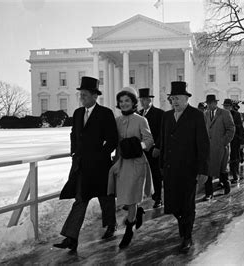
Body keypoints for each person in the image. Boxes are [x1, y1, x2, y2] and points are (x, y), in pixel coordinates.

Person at [54, 76, 118, 253]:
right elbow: (74, 134)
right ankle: (71, 238)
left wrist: (101, 155)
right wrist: (74, 152)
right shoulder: (77, 113)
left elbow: (112, 139)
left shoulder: (105, 113)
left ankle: (111, 225)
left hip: (100, 166)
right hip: (81, 166)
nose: (81, 97)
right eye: (80, 94)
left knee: (106, 198)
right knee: (80, 200)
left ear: (94, 96)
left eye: (84, 94)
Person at [159, 81, 210, 253]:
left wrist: (203, 170)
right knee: (173, 204)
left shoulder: (196, 115)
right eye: (172, 98)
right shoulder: (166, 117)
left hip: (189, 169)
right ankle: (182, 223)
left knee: (188, 205)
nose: (174, 101)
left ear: (186, 98)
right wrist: (161, 166)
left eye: (178, 98)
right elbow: (163, 142)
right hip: (170, 168)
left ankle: (187, 236)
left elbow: (203, 144)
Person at [108, 87, 154, 249]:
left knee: (132, 196)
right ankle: (137, 212)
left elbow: (149, 141)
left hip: (136, 162)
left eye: (127, 100)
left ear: (134, 102)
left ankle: (130, 226)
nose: (124, 104)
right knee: (125, 196)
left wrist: (136, 146)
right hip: (121, 163)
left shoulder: (141, 120)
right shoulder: (116, 121)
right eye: (121, 101)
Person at [203, 95, 235, 200]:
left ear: (215, 103)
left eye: (210, 103)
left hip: (221, 147)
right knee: (208, 170)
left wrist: (223, 142)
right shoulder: (206, 114)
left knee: (222, 170)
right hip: (209, 147)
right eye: (207, 103)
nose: (208, 105)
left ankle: (226, 184)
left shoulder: (225, 113)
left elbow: (231, 129)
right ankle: (209, 193)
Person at [137, 88, 165, 209]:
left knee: (155, 174)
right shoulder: (138, 114)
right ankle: (139, 198)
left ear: (150, 100)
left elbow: (162, 132)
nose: (142, 102)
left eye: (144, 99)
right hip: (141, 151)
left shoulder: (159, 113)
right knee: (140, 174)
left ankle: (158, 198)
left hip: (153, 150)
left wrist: (158, 147)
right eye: (141, 100)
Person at [222, 98, 244, 183]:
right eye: (225, 106)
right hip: (224, 140)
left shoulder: (237, 115)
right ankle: (223, 179)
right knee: (223, 160)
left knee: (235, 159)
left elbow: (241, 129)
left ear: (231, 106)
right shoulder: (221, 114)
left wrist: (242, 142)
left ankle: (235, 176)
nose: (226, 107)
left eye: (228, 106)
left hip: (235, 140)